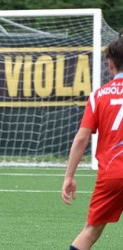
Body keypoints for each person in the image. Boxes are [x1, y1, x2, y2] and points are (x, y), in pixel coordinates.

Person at [61, 37, 123, 250]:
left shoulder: (99, 95)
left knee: (91, 231)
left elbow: (81, 138)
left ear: (110, 63)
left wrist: (69, 176)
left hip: (111, 175)